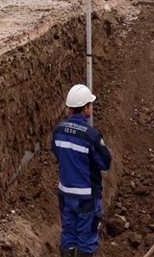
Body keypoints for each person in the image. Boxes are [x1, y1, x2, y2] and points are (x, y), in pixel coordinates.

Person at [52, 84, 112, 257]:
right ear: (85, 108)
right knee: (86, 239)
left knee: (68, 235)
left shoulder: (58, 130)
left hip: (65, 194)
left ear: (70, 108)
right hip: (86, 196)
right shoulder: (91, 136)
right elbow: (105, 163)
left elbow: (57, 152)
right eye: (90, 105)